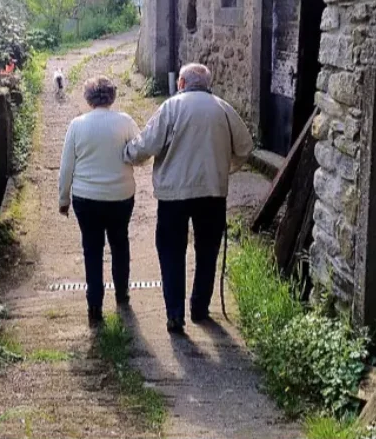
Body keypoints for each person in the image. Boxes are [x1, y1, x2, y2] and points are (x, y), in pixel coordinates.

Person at [124, 63, 254, 334]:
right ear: (208, 84)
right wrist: (226, 168)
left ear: (181, 83)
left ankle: (175, 313)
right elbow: (245, 146)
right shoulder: (222, 108)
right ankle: (199, 308)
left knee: (171, 252)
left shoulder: (171, 107)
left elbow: (147, 144)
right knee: (207, 251)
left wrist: (127, 154)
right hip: (213, 192)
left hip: (174, 195)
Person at [59, 76, 141, 327]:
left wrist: (63, 198)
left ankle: (94, 304)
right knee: (120, 243)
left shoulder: (77, 125)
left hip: (86, 198)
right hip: (120, 195)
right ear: (112, 96)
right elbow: (141, 153)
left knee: (92, 248)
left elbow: (67, 166)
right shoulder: (125, 122)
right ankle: (122, 294)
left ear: (88, 98)